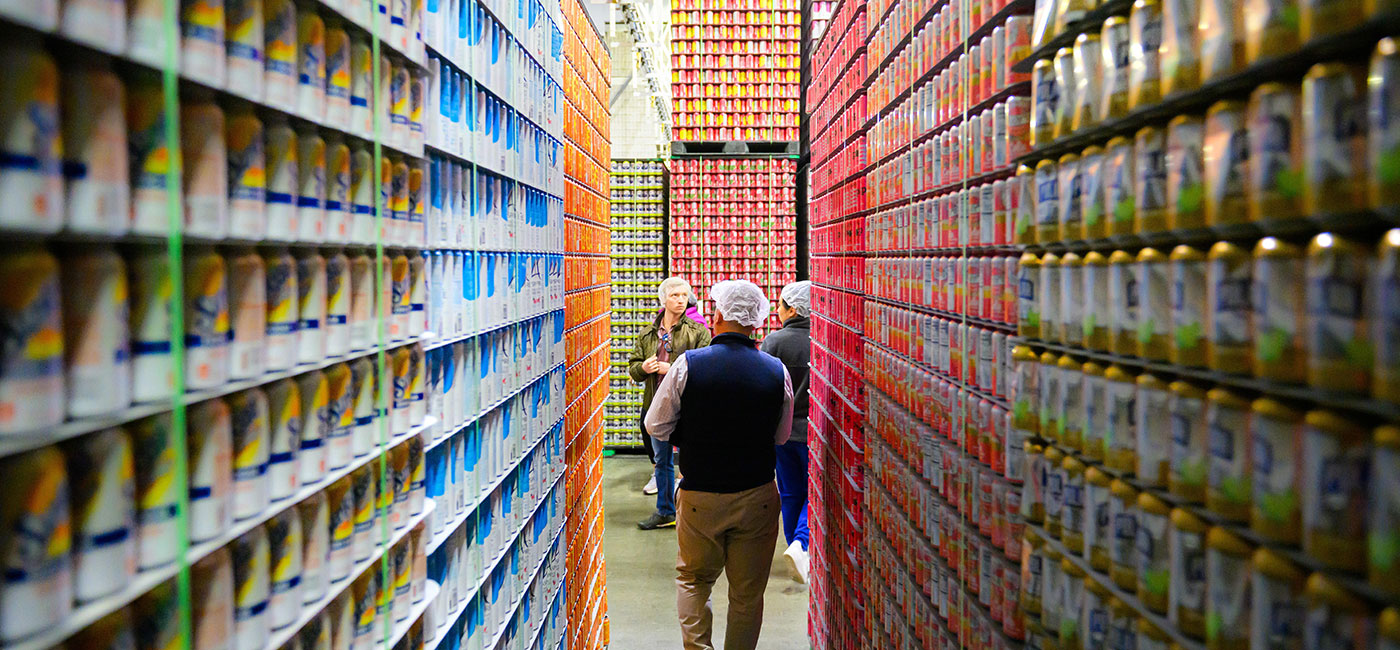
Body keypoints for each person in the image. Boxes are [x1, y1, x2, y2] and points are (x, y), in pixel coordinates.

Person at [644, 280, 794, 650]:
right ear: (757, 320)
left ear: (719, 315)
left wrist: (692, 434)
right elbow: (781, 435)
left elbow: (655, 425)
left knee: (695, 580)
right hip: (756, 495)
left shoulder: (688, 366)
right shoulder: (776, 371)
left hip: (700, 495)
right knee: (747, 593)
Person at [628, 276, 711, 527]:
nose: (680, 300)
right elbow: (632, 368)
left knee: (692, 460)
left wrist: (671, 367)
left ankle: (696, 511)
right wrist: (643, 367)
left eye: (684, 295)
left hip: (688, 407)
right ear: (663, 299)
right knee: (662, 461)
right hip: (657, 404)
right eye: (675, 295)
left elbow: (707, 367)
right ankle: (665, 511)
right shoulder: (647, 334)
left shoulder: (699, 332)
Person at [760, 281, 811, 584]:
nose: (776, 311)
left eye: (779, 305)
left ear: (792, 308)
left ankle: (796, 544)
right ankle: (801, 546)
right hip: (814, 433)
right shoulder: (821, 337)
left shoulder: (773, 342)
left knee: (791, 493)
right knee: (813, 492)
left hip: (782, 433)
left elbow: (767, 387)